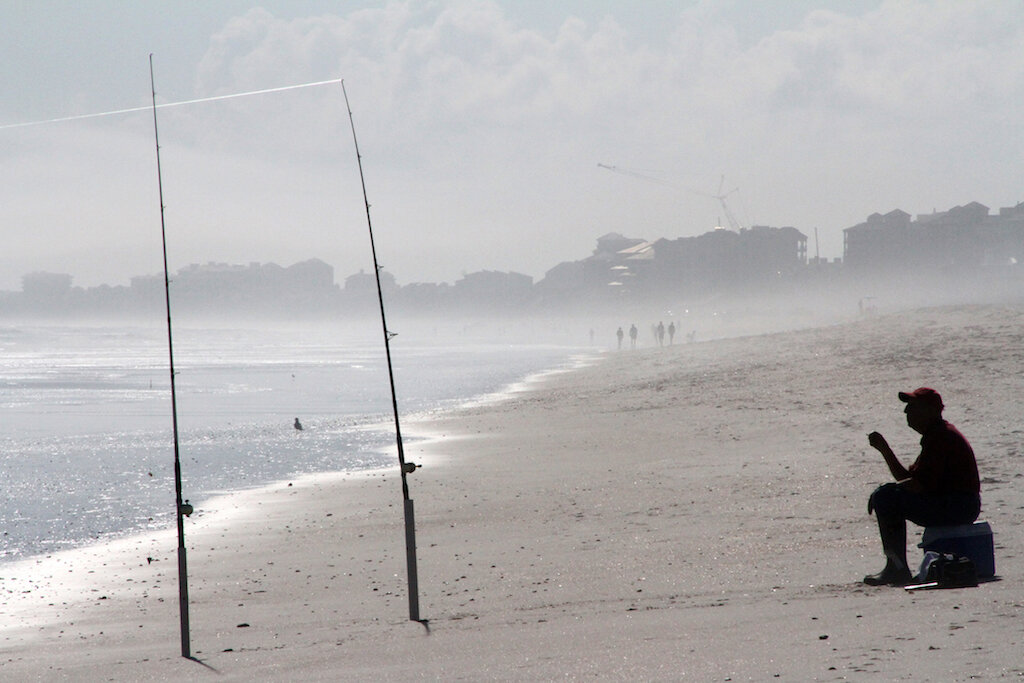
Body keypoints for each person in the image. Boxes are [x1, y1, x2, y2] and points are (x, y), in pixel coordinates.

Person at [864, 387, 981, 586]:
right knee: (887, 495)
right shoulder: (936, 434)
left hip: (959, 505)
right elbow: (908, 479)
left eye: (912, 407)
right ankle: (896, 566)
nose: (906, 412)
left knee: (886, 497)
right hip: (958, 503)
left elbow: (917, 486)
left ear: (930, 410)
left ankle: (896, 568)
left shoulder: (941, 437)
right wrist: (884, 449)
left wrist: (884, 492)